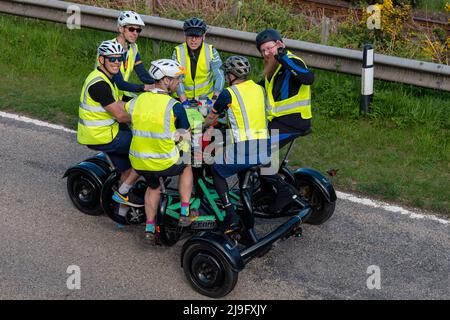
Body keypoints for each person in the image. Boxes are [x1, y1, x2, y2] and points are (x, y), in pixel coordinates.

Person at [125, 59, 196, 243]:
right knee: (187, 161)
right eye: (176, 79)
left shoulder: (138, 100)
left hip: (139, 163)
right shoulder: (174, 106)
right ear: (165, 80)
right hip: (164, 163)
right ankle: (185, 210)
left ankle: (149, 227)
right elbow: (184, 135)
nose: (179, 82)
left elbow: (127, 114)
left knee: (153, 185)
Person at [203, 55, 270, 232]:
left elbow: (211, 118)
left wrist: (201, 127)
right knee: (239, 167)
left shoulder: (228, 93)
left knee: (216, 169)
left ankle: (230, 214)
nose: (225, 78)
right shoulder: (258, 89)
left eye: (226, 74)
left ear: (232, 76)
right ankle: (245, 202)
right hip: (265, 147)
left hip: (244, 148)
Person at [78, 40, 143, 213]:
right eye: (111, 59)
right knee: (145, 149)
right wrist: (146, 119)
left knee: (128, 166)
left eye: (119, 58)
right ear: (101, 60)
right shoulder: (99, 84)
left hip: (108, 131)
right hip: (100, 135)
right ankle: (124, 193)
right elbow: (121, 115)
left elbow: (120, 102)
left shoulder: (108, 78)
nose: (116, 62)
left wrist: (142, 104)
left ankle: (121, 212)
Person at [255, 28, 314, 149]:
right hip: (278, 120)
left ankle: (262, 166)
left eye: (269, 48)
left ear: (279, 44)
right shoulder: (273, 68)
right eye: (263, 51)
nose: (266, 53)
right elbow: (258, 89)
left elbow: (308, 78)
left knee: (257, 149)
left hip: (293, 122)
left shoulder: (292, 61)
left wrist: (282, 57)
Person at [172, 17, 225, 108]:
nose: (193, 40)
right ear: (185, 36)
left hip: (206, 99)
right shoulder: (178, 51)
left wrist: (215, 98)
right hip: (183, 98)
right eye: (190, 36)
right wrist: (184, 100)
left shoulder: (211, 51)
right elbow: (177, 77)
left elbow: (219, 75)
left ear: (203, 36)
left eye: (197, 36)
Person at [107, 11, 155, 101]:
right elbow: (120, 83)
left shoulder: (133, 48)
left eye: (138, 30)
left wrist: (158, 84)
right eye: (131, 29)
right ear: (121, 29)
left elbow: (142, 74)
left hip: (119, 95)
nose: (135, 33)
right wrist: (143, 87)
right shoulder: (110, 49)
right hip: (106, 97)